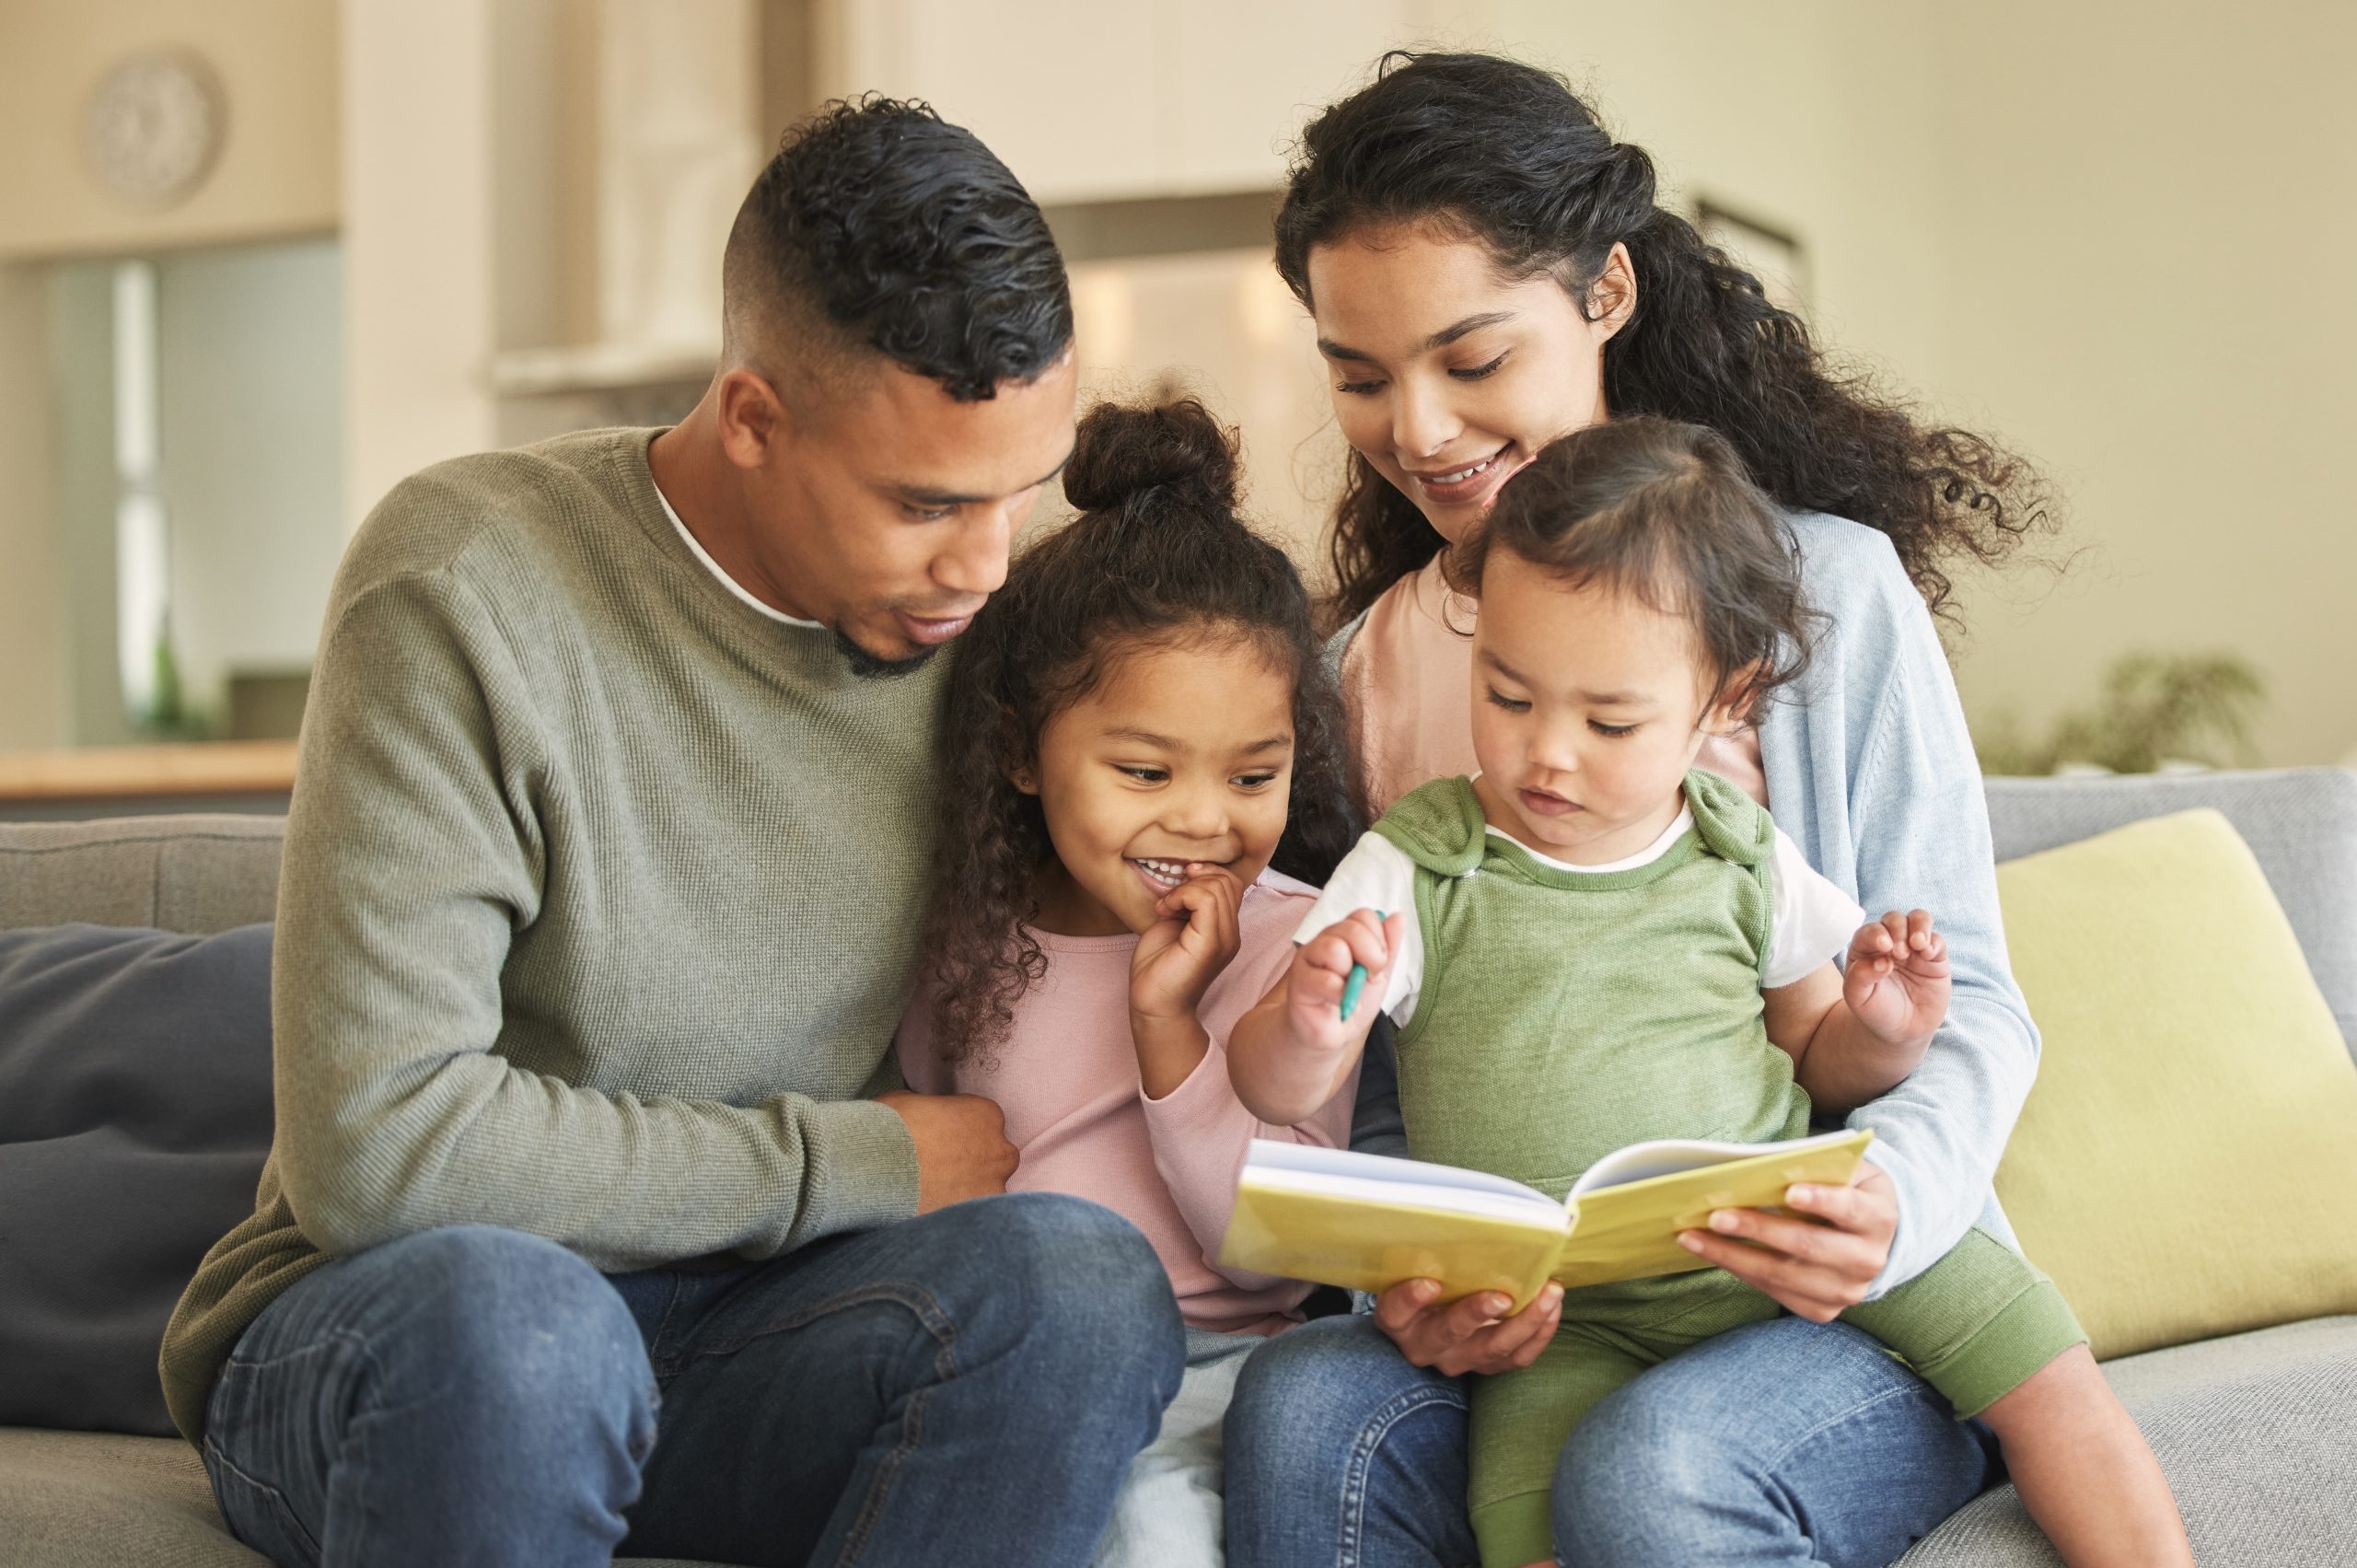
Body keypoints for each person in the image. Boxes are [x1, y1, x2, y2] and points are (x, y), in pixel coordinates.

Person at [157, 98, 1186, 1568]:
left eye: (1017, 495)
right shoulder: (466, 583)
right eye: (924, 504)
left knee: (1082, 1284)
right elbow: (378, 1147)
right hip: (412, 1324)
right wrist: (853, 1162)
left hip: (759, 1330)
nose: (985, 564)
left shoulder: (991, 627)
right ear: (753, 417)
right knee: (528, 1328)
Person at [1223, 52, 2073, 1568]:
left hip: (1834, 1290)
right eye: (1359, 375)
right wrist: (1422, 1280)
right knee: (1301, 1407)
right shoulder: (1360, 669)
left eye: (1471, 359)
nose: (1417, 428)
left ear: (1606, 292)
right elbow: (1393, 1090)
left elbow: (1975, 1004)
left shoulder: (1827, 600)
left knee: (1646, 1465)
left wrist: (1889, 1197)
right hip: (1556, 1317)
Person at [1229, 419, 2191, 1568]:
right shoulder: (1419, 862)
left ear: (1722, 700)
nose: (1548, 754)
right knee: (1524, 1531)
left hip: (1790, 1242)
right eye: (1509, 693)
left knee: (2049, 1386)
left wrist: (1880, 1033)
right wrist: (1301, 1021)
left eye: (1609, 721)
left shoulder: (1739, 850)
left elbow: (1816, 1057)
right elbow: (1277, 1081)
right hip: (1567, 1317)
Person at [896, 398, 1361, 1564]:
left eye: (1254, 774)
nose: (1203, 819)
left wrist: (1169, 1028)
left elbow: (1273, 1252)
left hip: (1225, 1372)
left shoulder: (1298, 946)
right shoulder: (966, 941)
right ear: (1019, 751)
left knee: (1152, 1535)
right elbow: (924, 1155)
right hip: (1027, 1359)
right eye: (1143, 769)